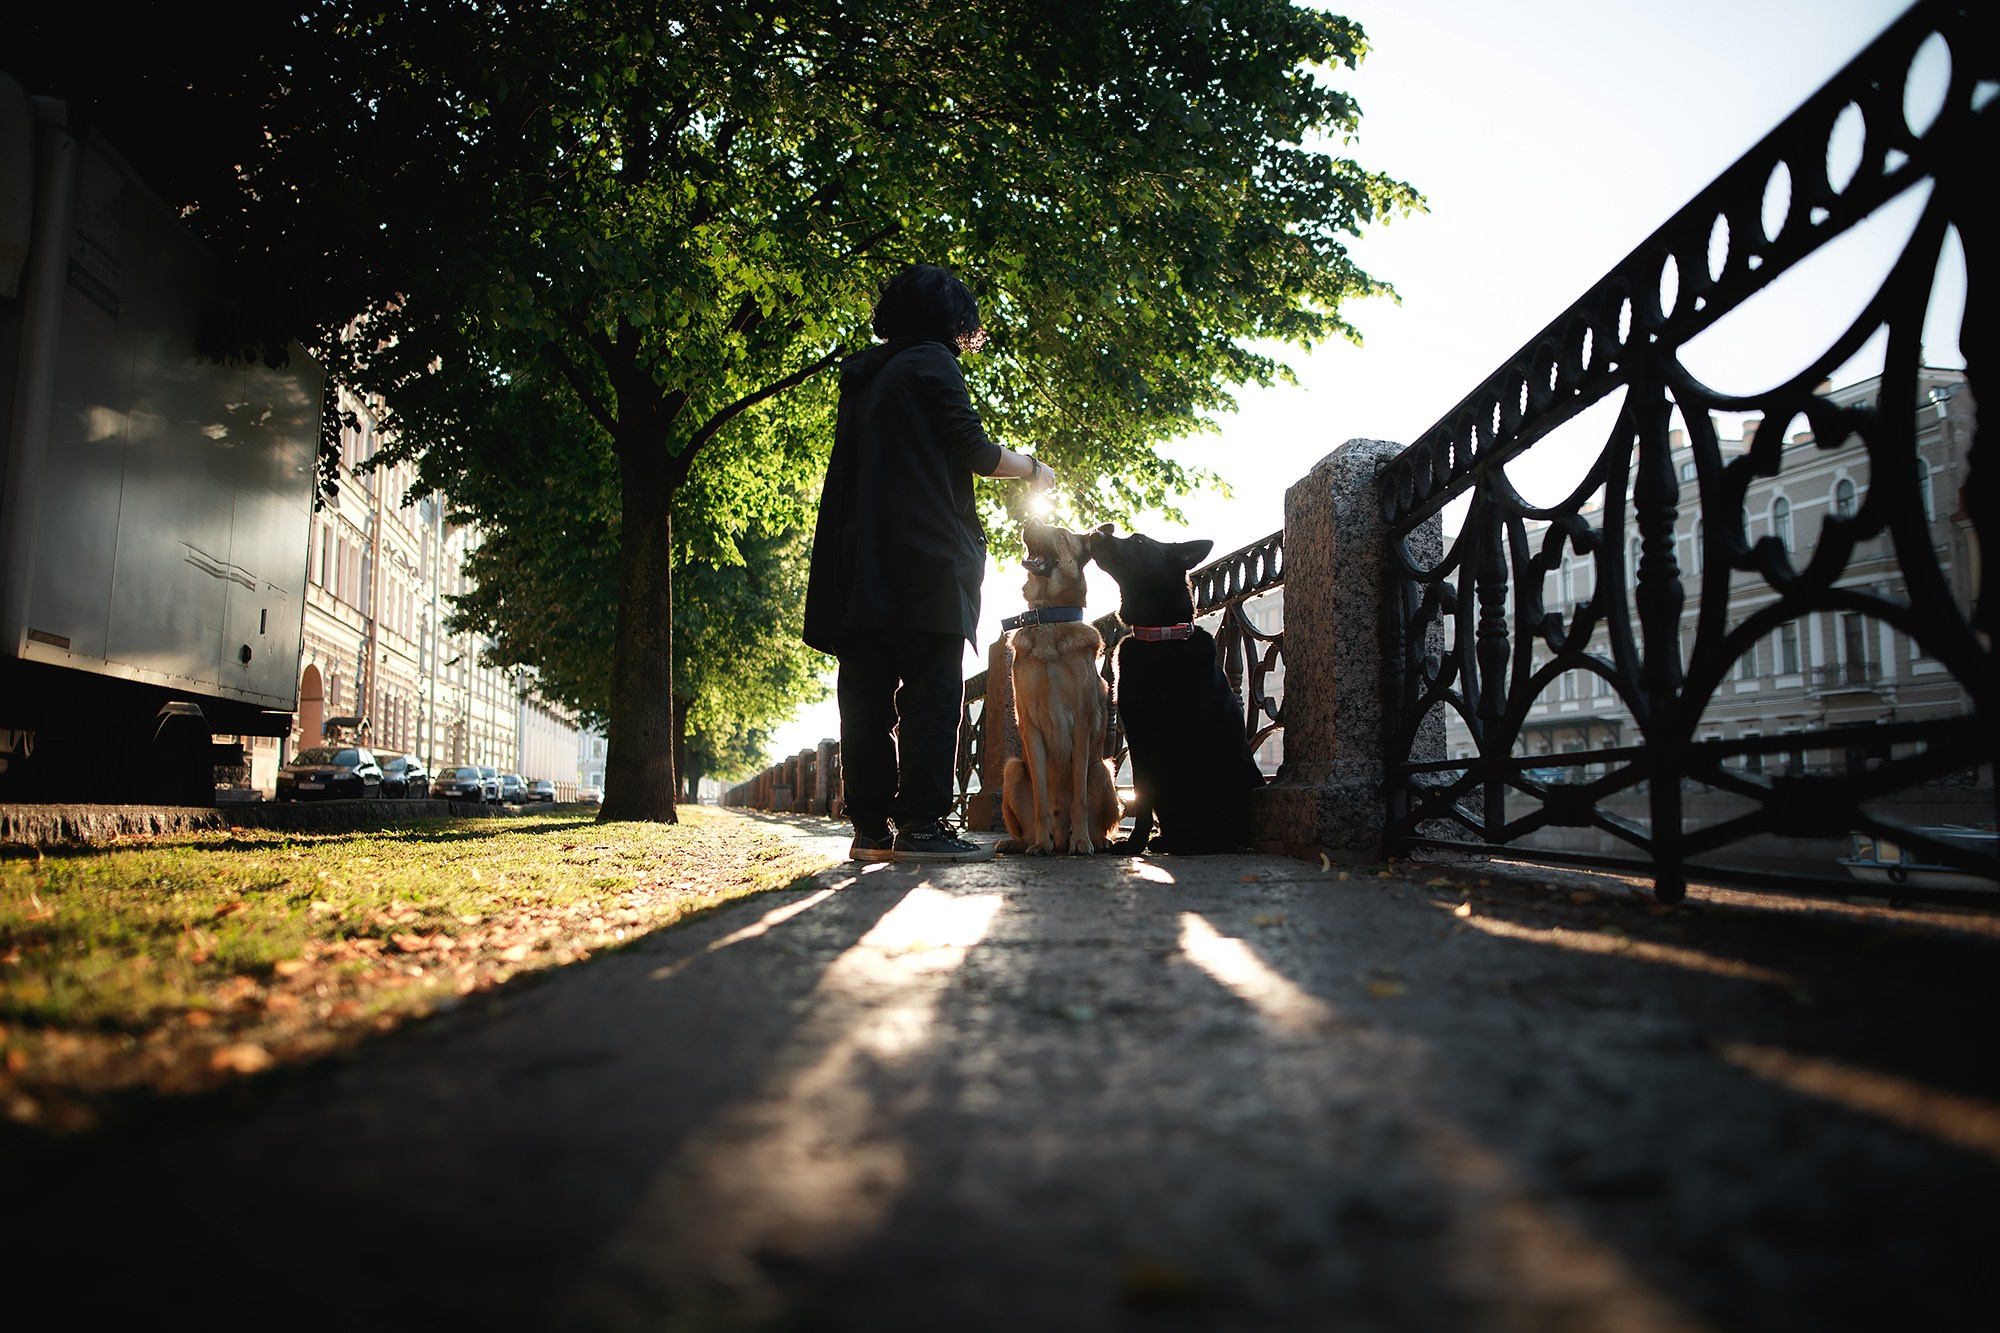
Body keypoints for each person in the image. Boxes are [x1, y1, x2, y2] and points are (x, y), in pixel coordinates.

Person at [804, 263, 1055, 862]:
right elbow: (972, 448)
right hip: (924, 561)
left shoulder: (868, 376)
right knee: (931, 696)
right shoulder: (931, 362)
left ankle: (869, 830)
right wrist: (1031, 467)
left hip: (861, 567)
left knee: (863, 696)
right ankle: (921, 825)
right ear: (947, 319)